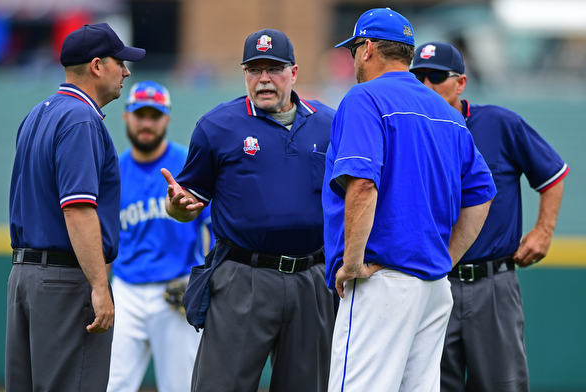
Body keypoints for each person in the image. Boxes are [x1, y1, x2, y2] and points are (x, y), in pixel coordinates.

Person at [323, 8, 498, 392]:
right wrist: (445, 260)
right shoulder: (446, 112)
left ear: (367, 48)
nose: (353, 58)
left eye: (354, 48)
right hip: (434, 287)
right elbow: (482, 194)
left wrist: (351, 263)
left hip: (380, 279)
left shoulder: (364, 98)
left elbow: (363, 185)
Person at [162, 28, 336, 392]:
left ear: (294, 73)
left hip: (311, 276)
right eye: (254, 69)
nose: (264, 79)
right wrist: (179, 208)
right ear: (244, 74)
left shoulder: (330, 123)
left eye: (274, 69)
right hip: (244, 275)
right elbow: (187, 200)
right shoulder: (217, 126)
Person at [410, 41, 570, 392]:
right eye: (418, 76)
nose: (426, 86)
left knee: (503, 385)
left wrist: (543, 231)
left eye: (436, 76)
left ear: (461, 83)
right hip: (434, 281)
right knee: (431, 385)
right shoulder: (409, 131)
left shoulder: (498, 122)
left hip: (491, 281)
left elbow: (553, 174)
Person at [7, 23, 145, 391]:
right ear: (97, 66)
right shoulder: (80, 119)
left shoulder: (39, 113)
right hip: (64, 281)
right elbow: (78, 209)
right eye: (121, 63)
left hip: (24, 278)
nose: (126, 72)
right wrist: (100, 287)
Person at [106, 81, 212, 392]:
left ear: (166, 118)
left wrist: (200, 280)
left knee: (180, 386)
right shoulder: (114, 170)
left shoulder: (186, 162)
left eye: (155, 115)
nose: (147, 123)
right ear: (127, 117)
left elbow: (212, 226)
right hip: (125, 290)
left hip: (176, 289)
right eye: (141, 114)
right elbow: (103, 238)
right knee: (112, 383)